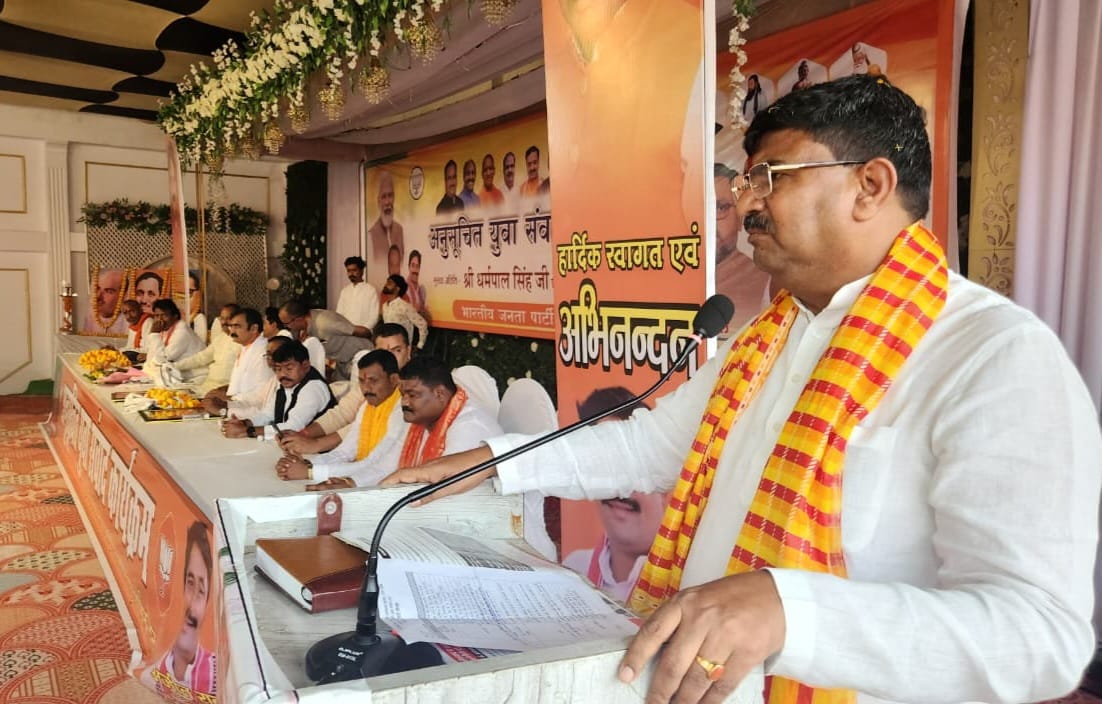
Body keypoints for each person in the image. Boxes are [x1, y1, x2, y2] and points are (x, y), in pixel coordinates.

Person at [384, 75, 1102, 704]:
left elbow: (1039, 636)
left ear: (871, 187)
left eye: (772, 177)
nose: (745, 201)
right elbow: (645, 447)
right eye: (746, 181)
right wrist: (492, 463)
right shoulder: (765, 339)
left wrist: (793, 611)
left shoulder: (991, 355)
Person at [561, 387, 668, 604]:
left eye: (635, 466)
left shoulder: (688, 579)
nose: (621, 487)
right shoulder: (574, 569)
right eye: (607, 465)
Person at [276, 349, 407, 489]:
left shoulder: (402, 412)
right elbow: (344, 452)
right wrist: (308, 463)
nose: (366, 388)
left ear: (394, 380)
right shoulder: (368, 407)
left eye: (373, 381)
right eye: (362, 381)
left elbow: (373, 464)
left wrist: (310, 472)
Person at [278, 323, 413, 457]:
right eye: (382, 352)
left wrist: (316, 444)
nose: (390, 358)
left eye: (397, 350)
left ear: (408, 352)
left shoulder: (414, 390)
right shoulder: (369, 384)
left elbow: (358, 430)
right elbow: (342, 414)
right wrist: (303, 434)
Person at [144, 521, 216, 701]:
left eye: (201, 591)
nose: (191, 603)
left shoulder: (219, 677)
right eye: (190, 583)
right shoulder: (155, 667)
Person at [392, 356, 503, 469]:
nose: (404, 402)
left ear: (440, 394)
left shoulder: (469, 427)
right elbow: (386, 465)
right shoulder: (421, 422)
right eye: (402, 395)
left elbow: (444, 476)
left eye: (412, 395)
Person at [221, 339, 335, 439]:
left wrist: (248, 431)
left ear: (305, 366)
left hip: (315, 450)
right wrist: (244, 423)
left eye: (289, 368)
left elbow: (293, 427)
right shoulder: (288, 382)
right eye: (278, 369)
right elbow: (268, 415)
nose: (282, 374)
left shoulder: (313, 387)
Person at [714, 163, 771, 332]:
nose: (707, 221)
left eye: (720, 208)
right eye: (699, 209)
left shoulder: (764, 283)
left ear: (739, 219)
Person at [197, 308, 271, 415]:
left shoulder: (263, 353)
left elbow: (264, 394)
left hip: (251, 415)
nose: (232, 331)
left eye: (237, 326)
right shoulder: (245, 347)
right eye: (231, 326)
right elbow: (243, 383)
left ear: (254, 328)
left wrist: (230, 399)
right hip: (235, 407)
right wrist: (222, 390)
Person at [278, 299, 372, 380]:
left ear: (298, 319)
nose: (286, 327)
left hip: (361, 357)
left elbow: (362, 331)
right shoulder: (303, 327)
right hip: (342, 362)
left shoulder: (324, 323)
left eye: (286, 323)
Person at [171, 303, 240, 395]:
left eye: (229, 318)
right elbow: (201, 358)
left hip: (224, 390)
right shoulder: (220, 338)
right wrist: (174, 366)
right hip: (207, 386)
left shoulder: (242, 342)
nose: (224, 322)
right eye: (222, 318)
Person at [144, 298, 204, 384]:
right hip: (178, 376)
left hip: (194, 377)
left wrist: (154, 334)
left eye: (164, 315)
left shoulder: (182, 331)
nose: (160, 319)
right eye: (157, 316)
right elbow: (151, 357)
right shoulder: (165, 330)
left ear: (175, 316)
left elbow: (163, 359)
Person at [368, 171, 404, 288]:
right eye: (384, 197)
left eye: (390, 195)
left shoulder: (400, 230)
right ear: (378, 201)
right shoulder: (371, 235)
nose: (388, 202)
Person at [381, 274, 429, 351]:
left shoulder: (405, 306)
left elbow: (422, 324)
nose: (386, 285)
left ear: (397, 288)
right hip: (388, 347)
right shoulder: (385, 306)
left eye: (389, 283)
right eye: (386, 282)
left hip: (402, 349)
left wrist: (420, 345)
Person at [335, 255, 381, 332]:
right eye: (348, 271)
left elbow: (374, 316)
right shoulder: (344, 291)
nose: (351, 274)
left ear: (361, 271)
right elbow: (339, 314)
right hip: (346, 332)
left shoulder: (371, 290)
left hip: (364, 333)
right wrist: (344, 328)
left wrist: (364, 329)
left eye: (354, 270)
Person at [83, 267, 129, 335]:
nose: (98, 296)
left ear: (124, 295)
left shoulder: (129, 321)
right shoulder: (87, 315)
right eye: (97, 288)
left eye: (108, 291)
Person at [116, 299, 151, 363]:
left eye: (132, 311)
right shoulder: (133, 325)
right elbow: (130, 346)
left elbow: (147, 349)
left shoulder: (148, 322)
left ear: (140, 310)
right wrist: (116, 351)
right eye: (125, 313)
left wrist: (122, 352)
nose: (129, 316)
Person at [406, 249, 429, 319]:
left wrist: (424, 310)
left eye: (417, 266)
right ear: (409, 267)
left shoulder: (422, 290)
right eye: (413, 265)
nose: (415, 270)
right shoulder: (403, 288)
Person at [186, 271, 207, 342]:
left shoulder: (199, 319)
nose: (184, 298)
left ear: (198, 294)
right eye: (180, 293)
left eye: (189, 292)